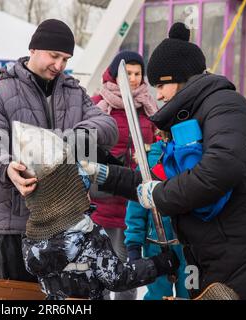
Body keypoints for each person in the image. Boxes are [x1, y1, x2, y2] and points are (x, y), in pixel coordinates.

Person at [84, 22, 246, 299]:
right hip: (214, 250)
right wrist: (103, 174)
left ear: (181, 78)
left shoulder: (225, 106)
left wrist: (159, 195)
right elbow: (156, 180)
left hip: (243, 252)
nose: (158, 94)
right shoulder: (195, 116)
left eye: (161, 85)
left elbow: (220, 168)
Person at [0, 19, 118, 282]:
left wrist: (79, 137)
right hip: (18, 228)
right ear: (33, 49)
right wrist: (6, 169)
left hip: (70, 227)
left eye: (66, 59)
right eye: (54, 55)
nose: (59, 65)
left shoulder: (74, 93)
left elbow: (107, 126)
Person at [18, 123, 179, 300]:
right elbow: (118, 278)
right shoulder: (89, 238)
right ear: (73, 194)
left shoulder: (33, 241)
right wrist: (158, 264)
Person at [90, 50, 157, 300]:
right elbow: (87, 144)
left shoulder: (149, 107)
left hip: (136, 197)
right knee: (101, 263)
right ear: (114, 74)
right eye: (127, 72)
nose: (133, 78)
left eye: (138, 73)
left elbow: (158, 138)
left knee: (129, 263)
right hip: (105, 194)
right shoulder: (99, 102)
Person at [124, 133, 189, 300]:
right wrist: (133, 247)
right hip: (156, 247)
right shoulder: (149, 164)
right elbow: (136, 211)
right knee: (157, 295)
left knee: (191, 293)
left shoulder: (194, 159)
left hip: (190, 248)